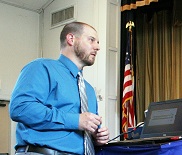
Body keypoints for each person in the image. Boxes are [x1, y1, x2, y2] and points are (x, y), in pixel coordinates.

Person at [9, 22, 109, 155]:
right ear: (71, 39)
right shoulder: (41, 67)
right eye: (91, 40)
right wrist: (76, 120)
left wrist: (96, 137)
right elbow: (21, 108)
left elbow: (85, 127)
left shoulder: (88, 90)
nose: (97, 47)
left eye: (97, 42)